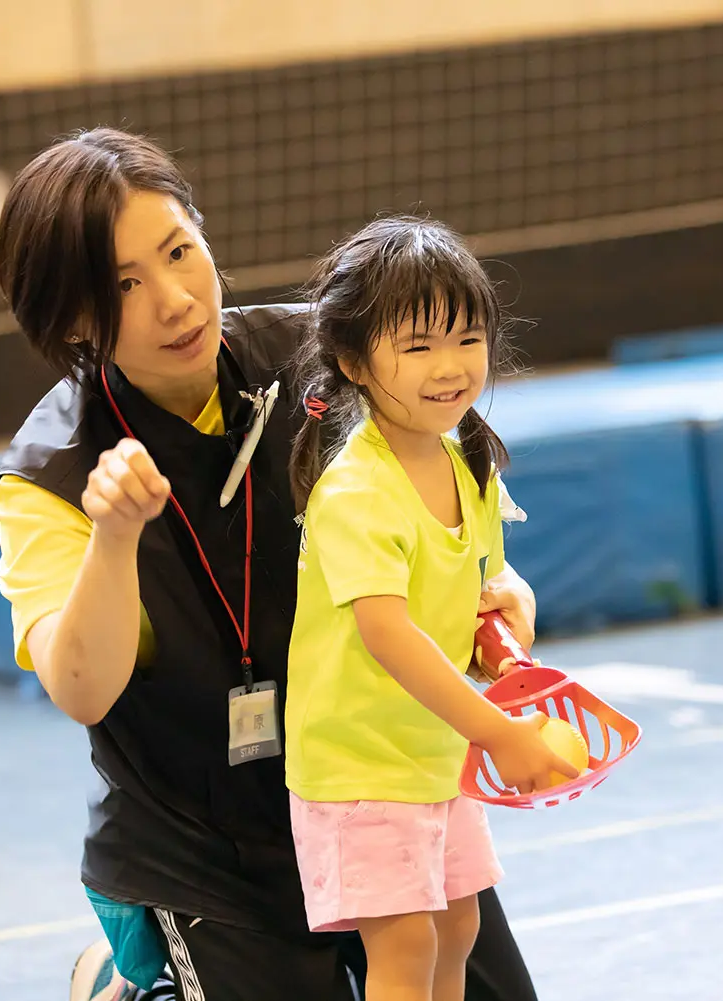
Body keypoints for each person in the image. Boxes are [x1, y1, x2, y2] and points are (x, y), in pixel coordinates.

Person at [0, 128, 546, 1001]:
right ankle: (130, 986)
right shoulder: (47, 473)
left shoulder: (332, 359)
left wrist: (495, 591)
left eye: (180, 252)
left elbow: (458, 499)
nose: (175, 300)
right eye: (124, 284)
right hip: (209, 847)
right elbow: (82, 688)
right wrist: (114, 537)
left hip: (382, 786)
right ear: (72, 319)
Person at [283, 217, 577, 1001]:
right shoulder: (356, 492)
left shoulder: (467, 459)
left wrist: (510, 610)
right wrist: (498, 731)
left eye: (466, 338)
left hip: (434, 750)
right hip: (359, 764)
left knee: (458, 926)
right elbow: (389, 635)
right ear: (354, 362)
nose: (450, 367)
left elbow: (486, 580)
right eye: (418, 346)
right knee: (406, 943)